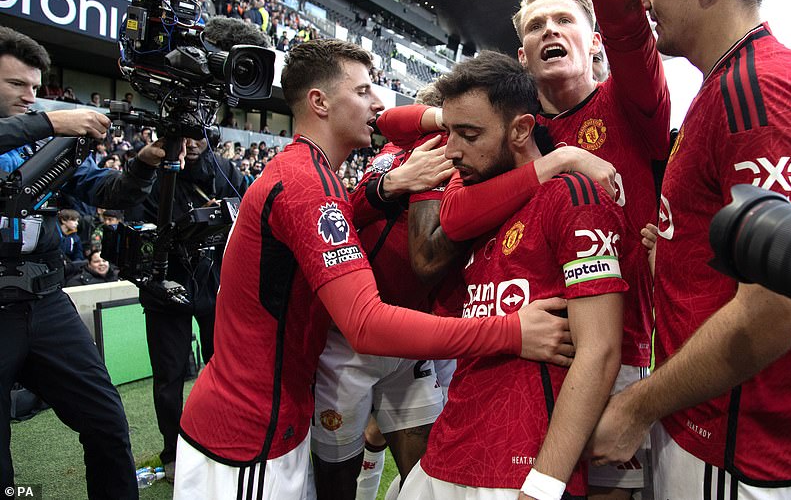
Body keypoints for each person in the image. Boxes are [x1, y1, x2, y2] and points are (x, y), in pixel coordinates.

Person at [174, 39, 573, 500]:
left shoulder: (311, 173)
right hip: (249, 433)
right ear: (320, 102)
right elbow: (365, 323)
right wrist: (510, 331)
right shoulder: (309, 186)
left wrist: (391, 179)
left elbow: (387, 140)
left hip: (268, 418)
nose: (378, 102)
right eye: (364, 91)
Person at [583, 0, 791, 499]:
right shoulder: (725, 84)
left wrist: (636, 405)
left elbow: (776, 310)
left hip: (730, 440)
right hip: (704, 424)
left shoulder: (760, 95)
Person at [399, 51, 629, 499]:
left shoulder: (574, 196)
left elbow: (600, 350)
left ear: (521, 128)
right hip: (446, 452)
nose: (451, 151)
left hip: (517, 468)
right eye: (448, 132)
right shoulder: (477, 202)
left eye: (469, 135)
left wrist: (543, 484)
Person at [0, 26, 173, 499]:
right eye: (17, 85)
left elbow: (108, 193)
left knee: (107, 421)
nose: (31, 97)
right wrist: (52, 121)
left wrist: (143, 162)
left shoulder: (41, 142)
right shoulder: (42, 128)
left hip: (46, 302)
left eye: (36, 88)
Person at [124, 16, 267, 484]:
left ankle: (216, 439)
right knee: (168, 378)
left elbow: (239, 196)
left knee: (220, 365)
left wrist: (201, 149)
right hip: (164, 277)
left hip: (212, 275)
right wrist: (165, 154)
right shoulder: (151, 160)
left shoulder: (218, 162)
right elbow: (131, 201)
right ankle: (171, 451)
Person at [311, 90, 459, 499]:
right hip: (348, 335)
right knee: (335, 472)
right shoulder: (390, 152)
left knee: (426, 473)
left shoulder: (461, 154)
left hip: (411, 335)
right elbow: (348, 213)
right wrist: (392, 184)